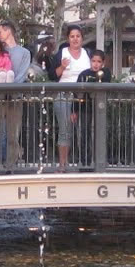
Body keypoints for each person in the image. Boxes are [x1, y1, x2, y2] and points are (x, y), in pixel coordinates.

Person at [0, 22, 32, 167]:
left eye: (0, 32)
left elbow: (22, 75)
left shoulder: (24, 53)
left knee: (12, 133)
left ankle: (10, 165)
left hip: (15, 97)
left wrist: (9, 87)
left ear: (8, 31)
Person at [53, 26, 91, 169]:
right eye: (72, 36)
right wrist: (62, 67)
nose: (75, 39)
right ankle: (63, 164)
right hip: (64, 94)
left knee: (85, 130)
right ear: (68, 38)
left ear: (82, 38)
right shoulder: (61, 53)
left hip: (83, 96)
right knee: (65, 130)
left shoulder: (88, 53)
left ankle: (86, 164)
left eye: (78, 36)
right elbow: (52, 75)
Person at [77, 47, 112, 162]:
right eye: (93, 61)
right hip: (84, 108)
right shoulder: (83, 74)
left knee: (100, 133)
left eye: (99, 61)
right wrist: (74, 110)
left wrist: (90, 83)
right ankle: (85, 161)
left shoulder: (105, 73)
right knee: (84, 133)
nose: (96, 64)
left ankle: (100, 160)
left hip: (100, 107)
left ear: (103, 63)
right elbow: (76, 93)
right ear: (90, 61)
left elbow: (105, 82)